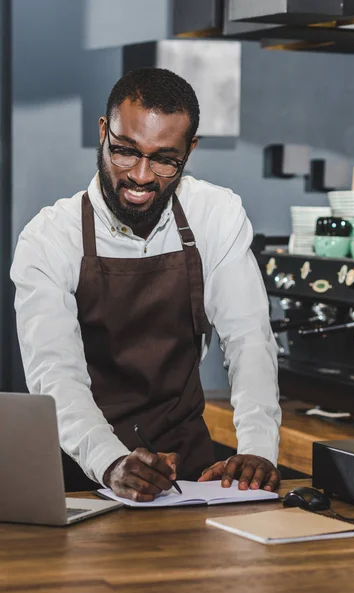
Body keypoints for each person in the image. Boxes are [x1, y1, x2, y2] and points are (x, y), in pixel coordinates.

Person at [11, 68, 281, 502]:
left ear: (189, 151)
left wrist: (256, 448)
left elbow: (249, 339)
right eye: (124, 152)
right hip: (85, 478)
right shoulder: (48, 239)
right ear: (104, 131)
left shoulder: (216, 215)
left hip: (190, 476)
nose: (140, 176)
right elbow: (55, 376)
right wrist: (110, 461)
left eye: (164, 159)